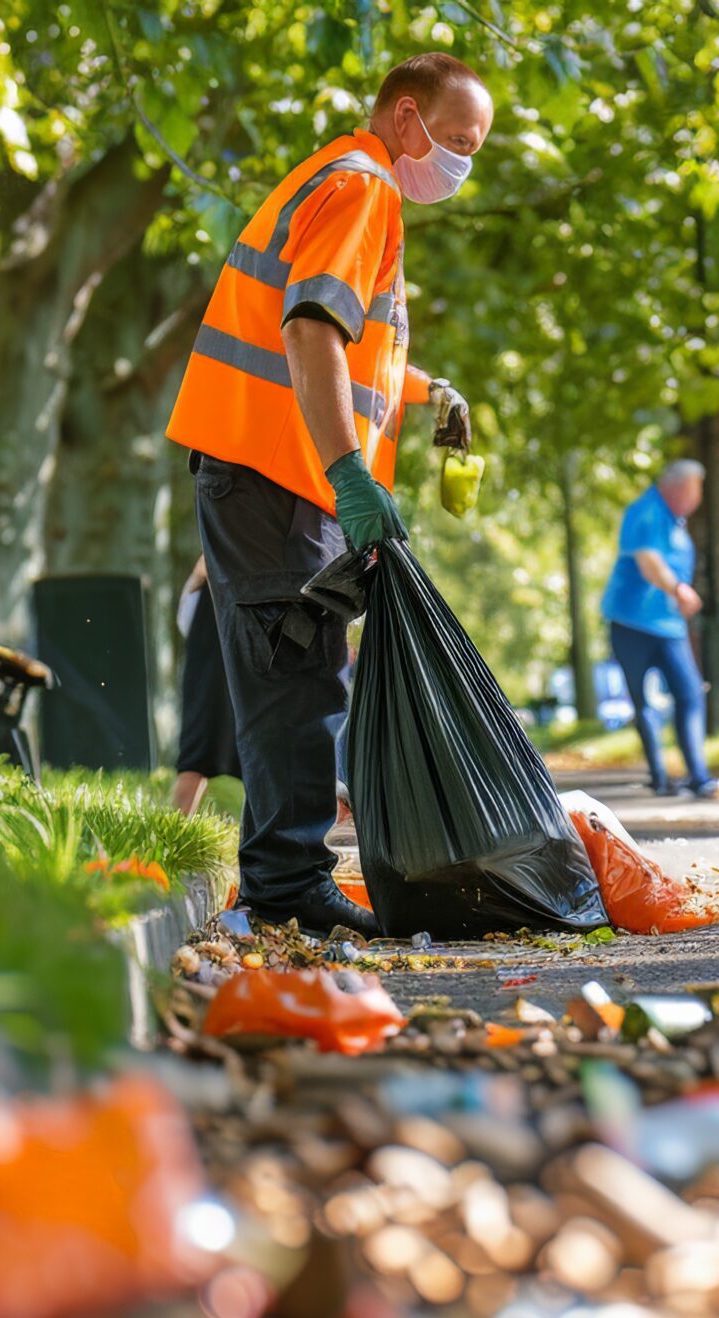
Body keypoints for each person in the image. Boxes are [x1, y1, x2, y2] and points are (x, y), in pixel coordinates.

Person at [164, 53, 491, 937]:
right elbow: (311, 327)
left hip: (259, 466)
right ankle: (288, 886)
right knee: (299, 676)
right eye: (458, 141)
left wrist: (433, 392)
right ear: (407, 117)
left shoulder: (332, 176)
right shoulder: (364, 189)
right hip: (277, 474)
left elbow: (352, 350)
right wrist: (350, 475)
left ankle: (280, 879)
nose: (463, 162)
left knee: (292, 674)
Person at [599, 459, 719, 800]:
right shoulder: (644, 512)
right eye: (694, 491)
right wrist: (678, 589)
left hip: (669, 626)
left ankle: (699, 777)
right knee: (642, 701)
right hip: (630, 622)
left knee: (688, 694)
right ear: (677, 487)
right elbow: (649, 563)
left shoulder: (676, 521)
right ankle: (660, 777)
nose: (697, 499)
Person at [169, 557, 237, 818]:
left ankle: (171, 841)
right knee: (198, 750)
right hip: (215, 636)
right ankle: (171, 842)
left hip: (238, 611)